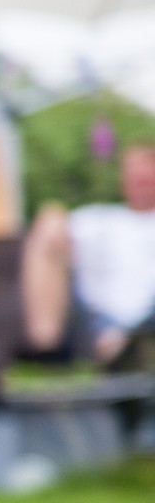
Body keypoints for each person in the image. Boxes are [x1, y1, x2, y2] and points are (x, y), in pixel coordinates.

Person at [22, 143, 155, 366]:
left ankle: (124, 341)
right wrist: (52, 218)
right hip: (96, 319)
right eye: (133, 173)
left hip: (149, 315)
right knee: (49, 218)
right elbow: (52, 226)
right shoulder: (102, 219)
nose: (140, 180)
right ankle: (46, 345)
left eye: (147, 173)